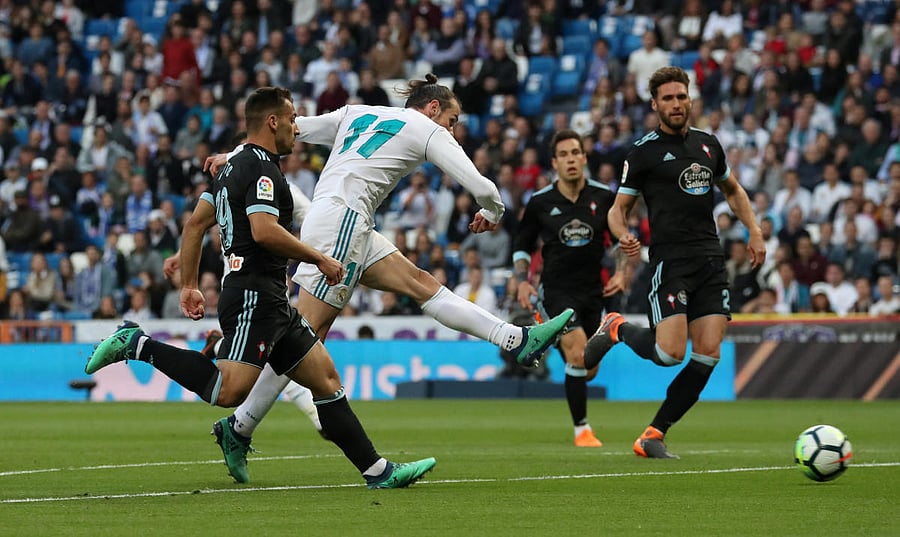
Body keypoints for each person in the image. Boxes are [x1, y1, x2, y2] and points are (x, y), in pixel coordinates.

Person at [204, 75, 573, 480]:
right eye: (452, 120)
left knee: (419, 283)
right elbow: (482, 186)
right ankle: (239, 426)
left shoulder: (357, 113)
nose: (452, 130)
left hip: (348, 223)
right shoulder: (427, 128)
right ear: (433, 108)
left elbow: (293, 127)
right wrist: (494, 212)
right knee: (301, 339)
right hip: (342, 223)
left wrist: (236, 153)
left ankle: (515, 339)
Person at [85, 87, 436, 489]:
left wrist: (188, 285)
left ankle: (378, 472)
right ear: (272, 122)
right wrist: (318, 257)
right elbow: (264, 231)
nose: (295, 128)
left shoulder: (232, 167)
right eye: (291, 119)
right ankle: (138, 344)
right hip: (253, 294)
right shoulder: (262, 169)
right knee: (227, 390)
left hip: (269, 298)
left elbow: (196, 224)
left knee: (325, 379)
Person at [583, 67, 765, 459]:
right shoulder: (643, 152)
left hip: (710, 260)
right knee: (669, 354)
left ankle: (653, 434)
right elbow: (619, 209)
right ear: (655, 104)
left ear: (690, 99)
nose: (677, 104)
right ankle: (616, 327)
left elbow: (733, 190)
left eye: (681, 96)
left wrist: (754, 230)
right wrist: (622, 234)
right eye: (668, 98)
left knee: (708, 353)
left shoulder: (708, 144)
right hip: (671, 262)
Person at [512, 129, 625, 447]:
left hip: (593, 293)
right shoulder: (540, 202)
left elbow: (620, 242)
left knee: (588, 368)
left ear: (585, 157)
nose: (571, 159)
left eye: (576, 152)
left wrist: (623, 272)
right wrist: (522, 281)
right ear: (554, 163)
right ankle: (582, 431)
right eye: (564, 155)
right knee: (577, 354)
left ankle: (558, 343)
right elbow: (522, 245)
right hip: (556, 292)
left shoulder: (604, 197)